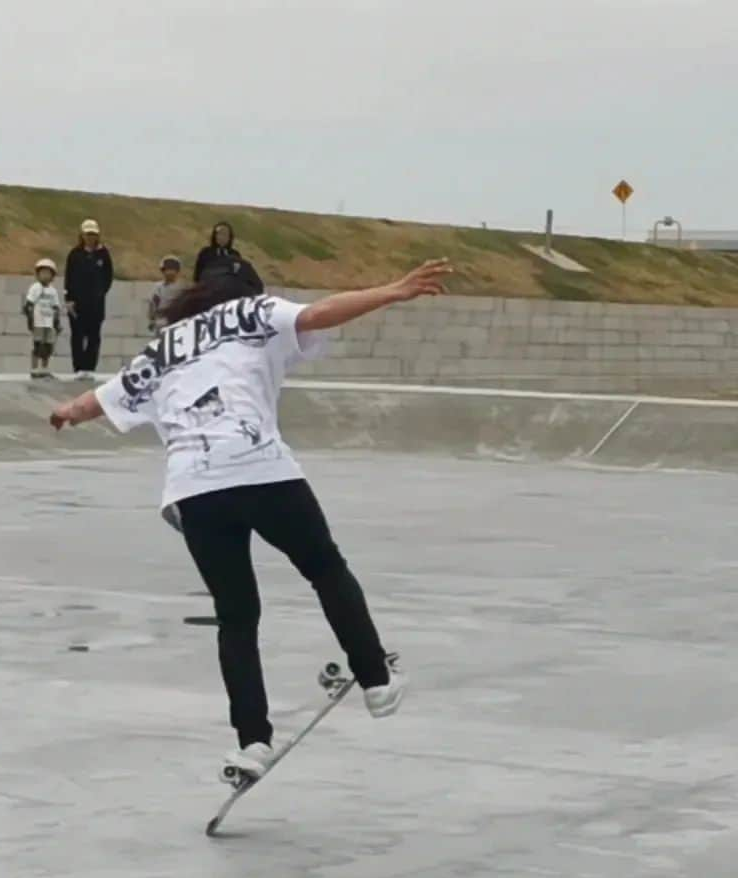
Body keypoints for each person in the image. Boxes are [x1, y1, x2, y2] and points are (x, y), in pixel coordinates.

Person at [49, 257, 453, 783]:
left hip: (194, 487)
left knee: (236, 617)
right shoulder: (252, 311)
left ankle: (252, 743)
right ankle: (375, 678)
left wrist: (63, 413)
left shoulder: (164, 346)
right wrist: (393, 290)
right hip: (259, 467)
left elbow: (91, 403)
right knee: (324, 567)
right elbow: (320, 314)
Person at [63, 219, 113, 379]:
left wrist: (100, 293)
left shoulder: (103, 254)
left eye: (93, 234)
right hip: (77, 303)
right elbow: (69, 277)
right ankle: (78, 368)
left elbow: (108, 276)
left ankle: (90, 367)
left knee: (94, 335)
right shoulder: (75, 254)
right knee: (77, 335)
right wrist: (69, 299)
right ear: (82, 235)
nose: (90, 237)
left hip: (96, 304)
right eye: (87, 234)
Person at [193, 221, 262, 291]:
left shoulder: (235, 254)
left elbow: (241, 275)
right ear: (214, 235)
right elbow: (197, 276)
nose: (222, 237)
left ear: (230, 237)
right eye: (219, 234)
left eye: (225, 235)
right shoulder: (205, 253)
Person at [23, 258, 62, 379]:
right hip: (38, 321)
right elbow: (28, 304)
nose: (45, 275)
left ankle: (44, 369)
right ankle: (34, 369)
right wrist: (30, 319)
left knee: (48, 347)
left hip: (49, 322)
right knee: (38, 345)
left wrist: (57, 322)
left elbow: (56, 307)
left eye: (48, 273)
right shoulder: (35, 287)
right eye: (42, 272)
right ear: (38, 274)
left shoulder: (53, 291)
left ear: (52, 276)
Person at [147, 255, 184, 334]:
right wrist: (152, 319)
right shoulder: (158, 287)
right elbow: (153, 303)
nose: (170, 272)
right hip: (161, 320)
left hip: (176, 322)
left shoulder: (181, 288)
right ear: (163, 271)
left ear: (177, 271)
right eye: (167, 269)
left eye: (172, 269)